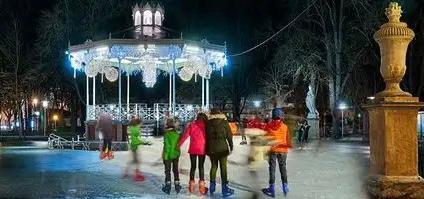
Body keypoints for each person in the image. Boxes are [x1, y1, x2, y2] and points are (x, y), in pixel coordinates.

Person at [262, 108, 292, 197]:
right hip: (283, 151)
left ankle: (271, 189)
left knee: (272, 169)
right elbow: (288, 140)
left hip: (273, 150)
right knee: (283, 168)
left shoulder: (268, 126)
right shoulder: (285, 127)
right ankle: (285, 187)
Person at [205, 108, 234, 197]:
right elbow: (229, 135)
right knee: (223, 168)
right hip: (223, 148)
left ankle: (212, 188)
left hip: (212, 148)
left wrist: (207, 148)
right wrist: (231, 146)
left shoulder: (208, 123)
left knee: (214, 167)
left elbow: (206, 137)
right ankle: (224, 189)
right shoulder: (224, 122)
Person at [178, 112, 208, 195]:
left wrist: (178, 145)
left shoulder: (192, 125)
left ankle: (191, 184)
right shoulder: (206, 126)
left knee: (193, 167)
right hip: (202, 149)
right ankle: (202, 186)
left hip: (193, 149)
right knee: (201, 167)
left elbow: (185, 136)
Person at [162, 117, 181, 194]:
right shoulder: (177, 134)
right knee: (175, 170)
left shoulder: (166, 134)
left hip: (168, 155)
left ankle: (168, 186)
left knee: (167, 171)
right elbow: (177, 145)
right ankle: (177, 185)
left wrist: (166, 155)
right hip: (176, 154)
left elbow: (167, 146)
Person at [123, 117, 145, 181]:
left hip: (133, 145)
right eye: (141, 124)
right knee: (136, 161)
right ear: (138, 123)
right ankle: (136, 174)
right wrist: (143, 142)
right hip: (134, 145)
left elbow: (132, 138)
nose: (141, 125)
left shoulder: (131, 128)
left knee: (134, 160)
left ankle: (126, 173)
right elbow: (135, 139)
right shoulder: (136, 129)